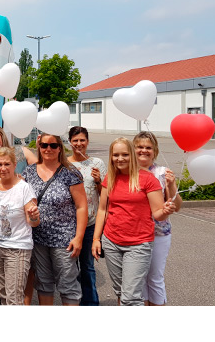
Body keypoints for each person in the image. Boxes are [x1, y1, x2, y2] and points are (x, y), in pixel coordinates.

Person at [91, 137, 176, 306]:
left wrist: (166, 211)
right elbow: (102, 209)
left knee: (131, 297)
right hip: (111, 242)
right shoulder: (110, 177)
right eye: (116, 155)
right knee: (120, 292)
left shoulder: (147, 179)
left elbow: (158, 213)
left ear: (131, 154)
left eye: (124, 154)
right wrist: (96, 239)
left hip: (138, 244)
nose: (120, 158)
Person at [21, 133, 88, 306]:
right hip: (38, 238)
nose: (48, 149)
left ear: (60, 148)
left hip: (64, 240)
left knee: (68, 286)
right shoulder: (29, 171)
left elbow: (81, 207)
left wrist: (79, 238)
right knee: (44, 284)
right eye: (44, 145)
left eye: (53, 145)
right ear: (39, 147)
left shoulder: (70, 173)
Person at [0, 123, 38, 304]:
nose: (3, 168)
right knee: (3, 296)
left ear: (14, 165)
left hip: (17, 248)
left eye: (7, 164)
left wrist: (34, 215)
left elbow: (33, 222)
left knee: (14, 299)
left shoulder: (24, 187)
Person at [133, 131, 183, 306]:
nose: (144, 151)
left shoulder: (163, 172)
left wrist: (171, 185)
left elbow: (176, 206)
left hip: (158, 233)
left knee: (154, 278)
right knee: (139, 280)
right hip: (134, 234)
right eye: (140, 147)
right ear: (133, 149)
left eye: (148, 147)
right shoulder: (127, 172)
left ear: (155, 151)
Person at [67, 126, 107, 306]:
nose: (79, 144)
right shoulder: (65, 164)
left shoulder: (97, 163)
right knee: (70, 268)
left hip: (90, 223)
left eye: (82, 140)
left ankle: (90, 304)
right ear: (70, 143)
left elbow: (105, 196)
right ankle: (73, 302)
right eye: (75, 141)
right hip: (69, 225)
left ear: (88, 142)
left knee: (88, 267)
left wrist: (98, 181)